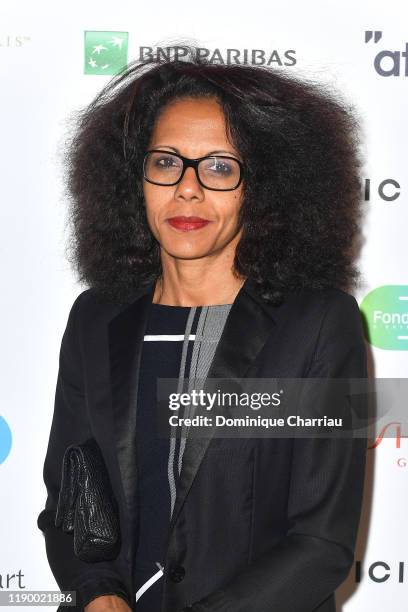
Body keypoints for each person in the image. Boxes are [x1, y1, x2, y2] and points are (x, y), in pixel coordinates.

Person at [37, 46, 368, 612]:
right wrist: (98, 593)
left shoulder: (318, 324)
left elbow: (320, 544)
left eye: (219, 166)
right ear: (132, 180)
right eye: (166, 161)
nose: (187, 188)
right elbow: (73, 498)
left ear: (261, 189)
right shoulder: (95, 318)